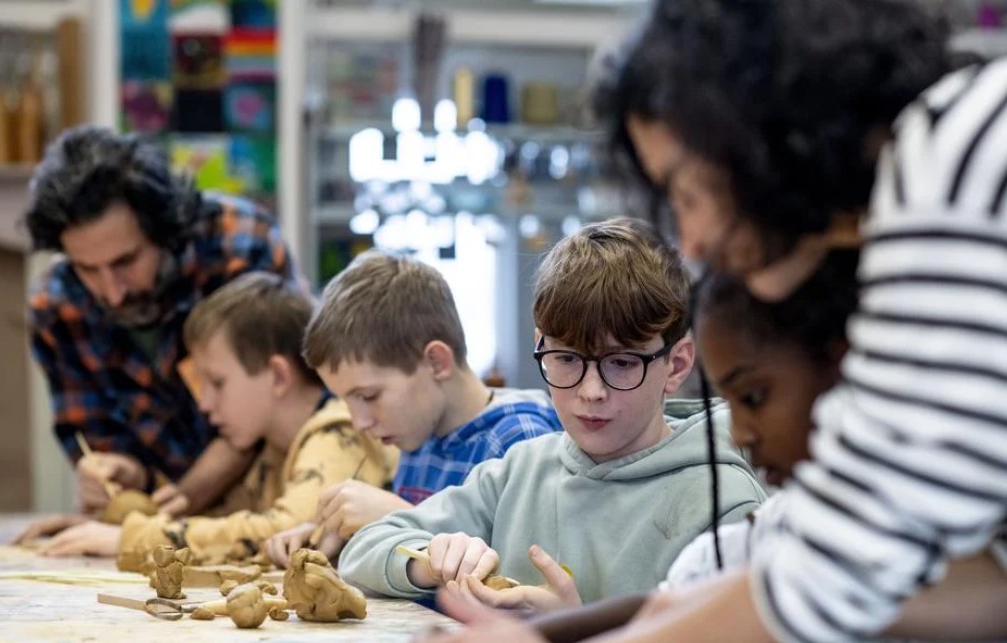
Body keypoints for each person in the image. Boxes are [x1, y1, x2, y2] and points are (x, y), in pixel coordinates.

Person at [547, 0, 1007, 640]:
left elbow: (851, 567)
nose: (695, 240)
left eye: (688, 192)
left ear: (753, 129)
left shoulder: (951, 161)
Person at [335, 219, 766, 612]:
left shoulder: (723, 503)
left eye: (622, 364)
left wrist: (571, 628)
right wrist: (430, 561)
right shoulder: (520, 471)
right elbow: (365, 548)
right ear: (541, 345)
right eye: (566, 359)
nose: (590, 392)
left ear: (676, 364)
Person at [24, 125, 302, 519]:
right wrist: (121, 474)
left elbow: (282, 401)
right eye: (87, 269)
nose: (112, 292)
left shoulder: (241, 246)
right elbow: (97, 437)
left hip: (271, 508)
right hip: (161, 514)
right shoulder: (56, 304)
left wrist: (181, 503)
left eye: (125, 262)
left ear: (164, 229)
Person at [32, 273, 397, 562]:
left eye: (217, 383)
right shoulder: (273, 449)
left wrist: (131, 538)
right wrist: (112, 519)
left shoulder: (336, 432)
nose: (204, 405)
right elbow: (222, 521)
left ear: (279, 376)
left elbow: (286, 531)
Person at [264, 249, 562, 565]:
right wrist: (340, 534)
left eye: (367, 396)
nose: (359, 422)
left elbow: (528, 573)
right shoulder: (418, 435)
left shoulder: (520, 438)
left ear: (435, 362)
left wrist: (397, 517)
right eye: (346, 401)